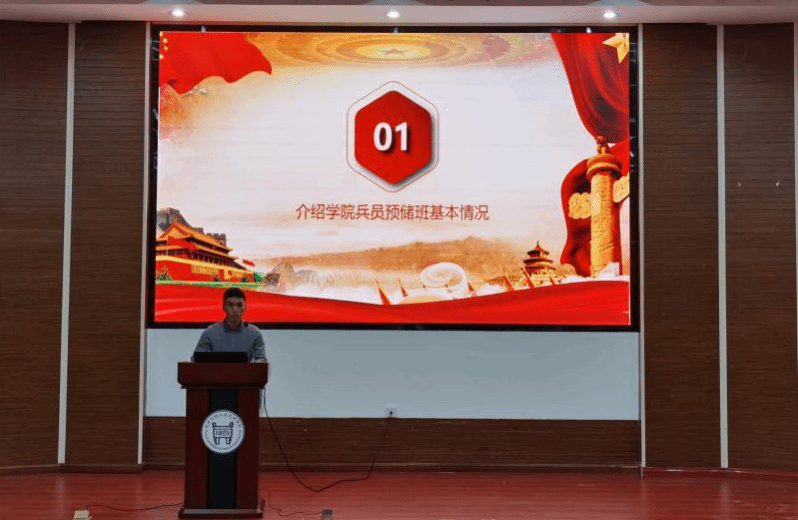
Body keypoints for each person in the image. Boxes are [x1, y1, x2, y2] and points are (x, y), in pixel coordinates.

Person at [193, 287, 267, 362]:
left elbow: (261, 360)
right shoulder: (210, 332)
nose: (235, 310)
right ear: (223, 307)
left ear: (245, 307)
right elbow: (196, 360)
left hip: (244, 370)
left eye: (239, 305)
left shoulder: (254, 333)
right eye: (230, 305)